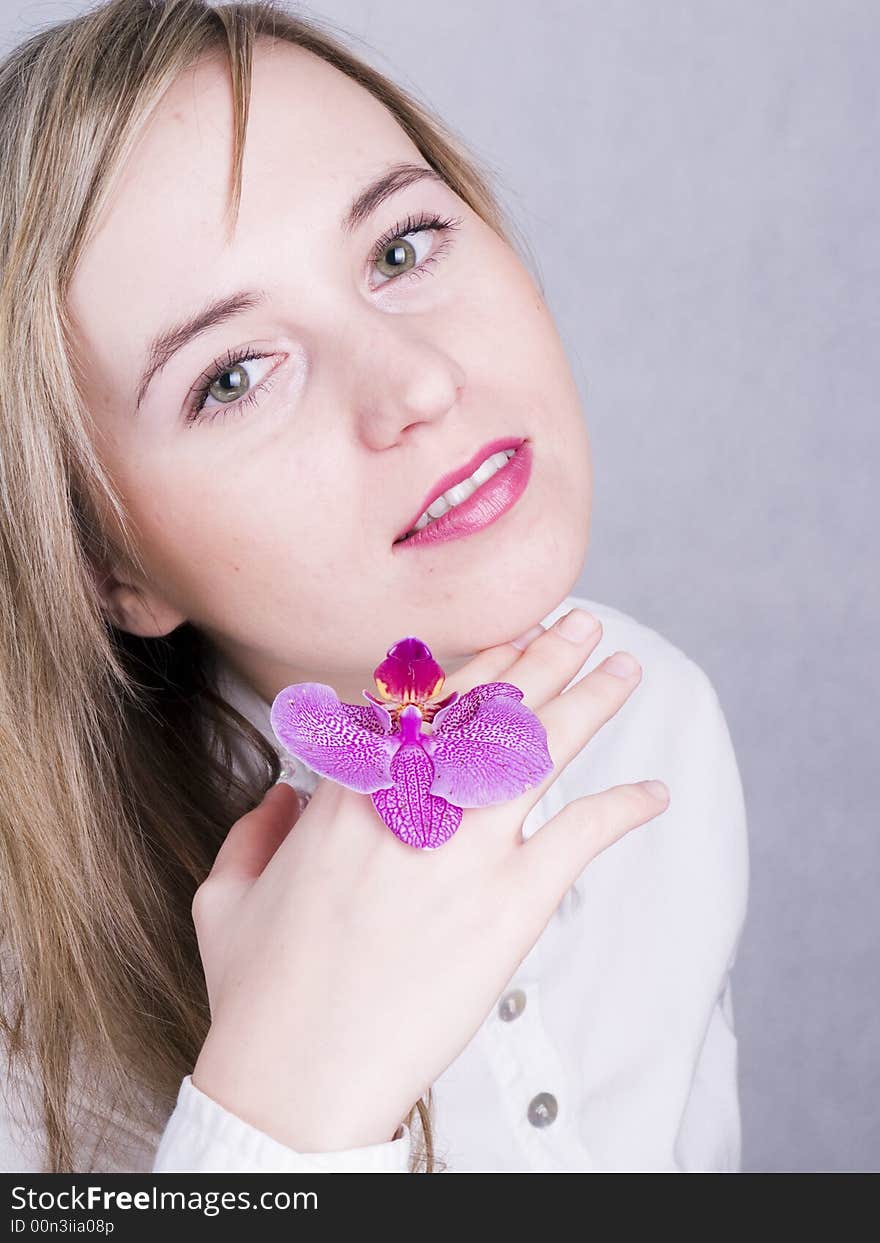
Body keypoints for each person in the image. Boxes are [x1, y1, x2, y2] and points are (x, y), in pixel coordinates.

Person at [0, 0, 748, 1173]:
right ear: (107, 565)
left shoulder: (653, 719)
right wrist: (275, 1107)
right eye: (234, 375)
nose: (415, 382)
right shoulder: (24, 1000)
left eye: (400, 249)